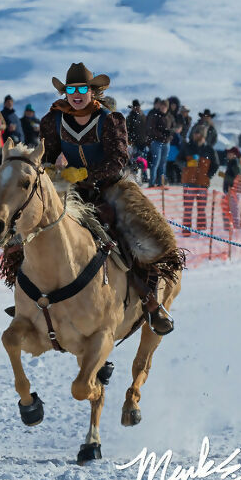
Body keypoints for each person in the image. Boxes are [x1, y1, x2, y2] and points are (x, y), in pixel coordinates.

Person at [32, 62, 183, 334]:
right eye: (71, 90)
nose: (76, 95)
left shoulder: (110, 120)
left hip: (110, 187)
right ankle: (27, 298)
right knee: (28, 228)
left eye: (82, 89)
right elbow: (48, 155)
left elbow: (118, 159)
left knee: (139, 236)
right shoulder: (52, 120)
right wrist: (54, 170)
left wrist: (86, 174)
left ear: (93, 91)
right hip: (69, 189)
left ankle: (151, 303)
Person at [176, 124, 219, 235]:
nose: (194, 135)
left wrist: (208, 175)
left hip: (203, 184)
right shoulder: (187, 146)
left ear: (202, 135)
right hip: (188, 182)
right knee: (188, 208)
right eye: (194, 133)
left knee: (201, 209)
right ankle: (186, 231)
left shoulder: (209, 149)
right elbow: (178, 160)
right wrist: (186, 164)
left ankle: (201, 232)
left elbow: (216, 165)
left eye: (197, 133)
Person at [146, 98, 173, 187]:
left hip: (166, 143)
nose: (163, 108)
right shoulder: (155, 116)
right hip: (157, 142)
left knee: (163, 163)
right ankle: (152, 183)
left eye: (165, 106)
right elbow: (152, 129)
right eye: (162, 106)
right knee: (155, 163)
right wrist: (162, 134)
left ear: (167, 107)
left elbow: (173, 128)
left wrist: (170, 134)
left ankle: (161, 182)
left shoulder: (169, 117)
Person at [220, 146, 241, 230]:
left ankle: (235, 229)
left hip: (232, 191)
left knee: (233, 211)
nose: (228, 154)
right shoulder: (231, 163)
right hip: (229, 191)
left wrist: (224, 176)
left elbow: (236, 178)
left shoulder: (235, 163)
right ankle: (228, 228)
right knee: (227, 209)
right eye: (228, 153)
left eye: (230, 153)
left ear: (235, 155)